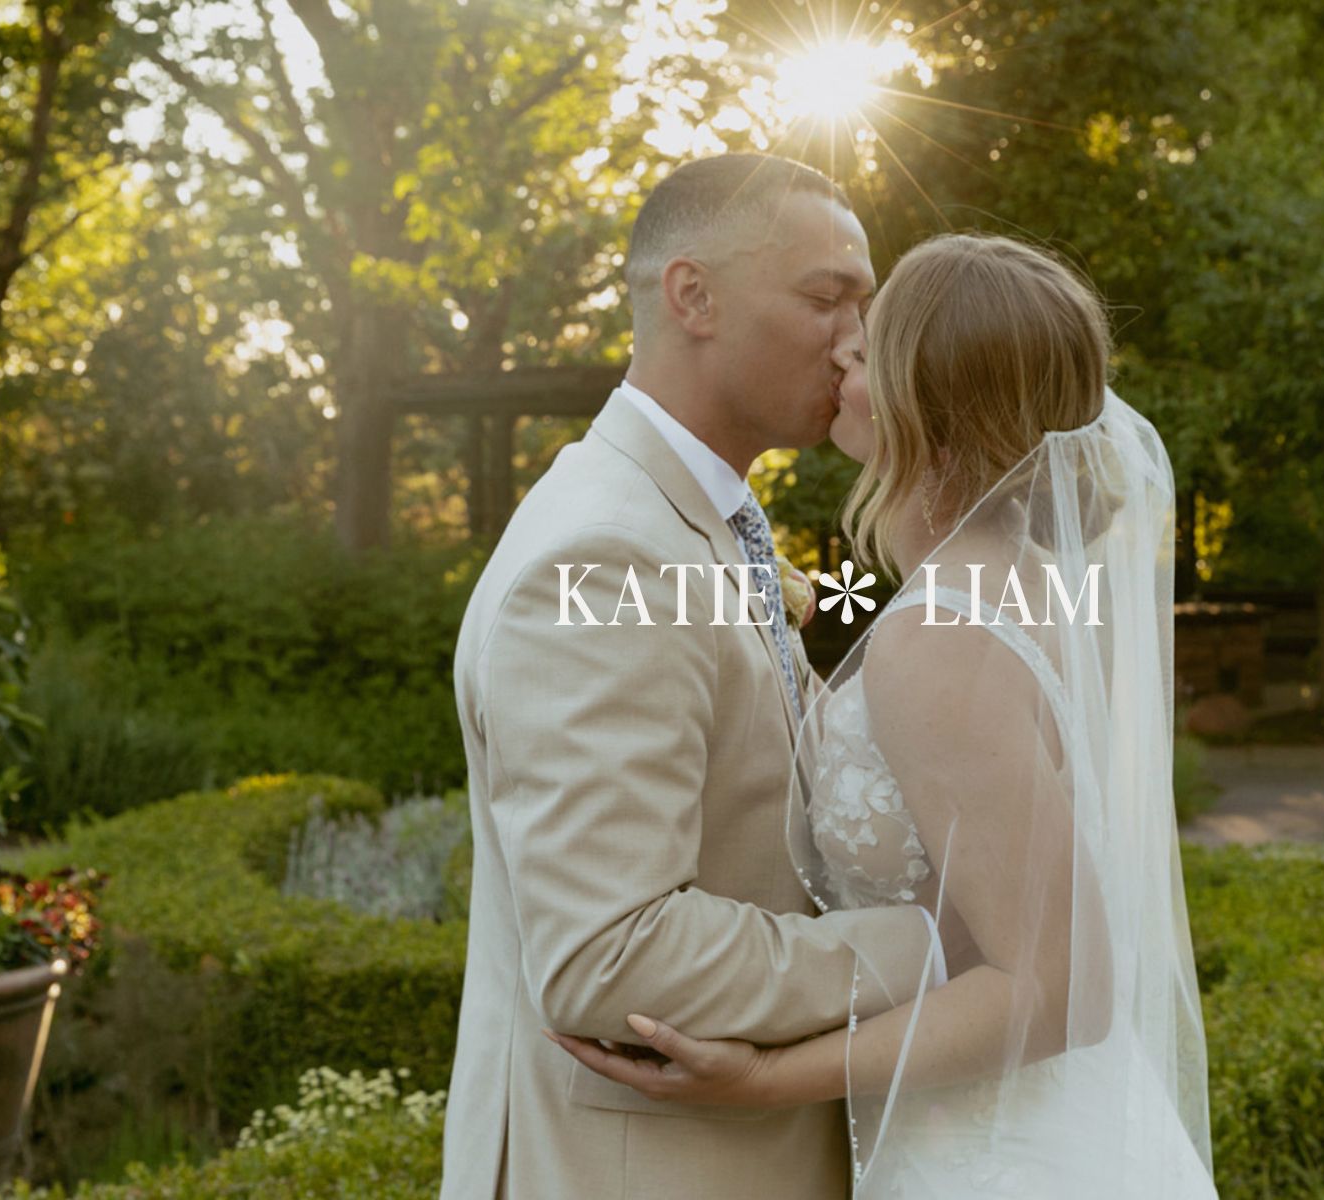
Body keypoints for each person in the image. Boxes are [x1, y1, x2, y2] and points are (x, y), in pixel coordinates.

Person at [554, 233, 1220, 1197]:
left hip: (991, 1159)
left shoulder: (940, 635)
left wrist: (767, 1078)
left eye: (865, 354)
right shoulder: (1034, 584)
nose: (839, 360)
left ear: (926, 408)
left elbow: (1058, 990)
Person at [440, 153, 945, 1200]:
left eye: (868, 304)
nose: (860, 340)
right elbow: (611, 953)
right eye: (826, 298)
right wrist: (924, 951)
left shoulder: (700, 524)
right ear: (694, 296)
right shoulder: (606, 556)